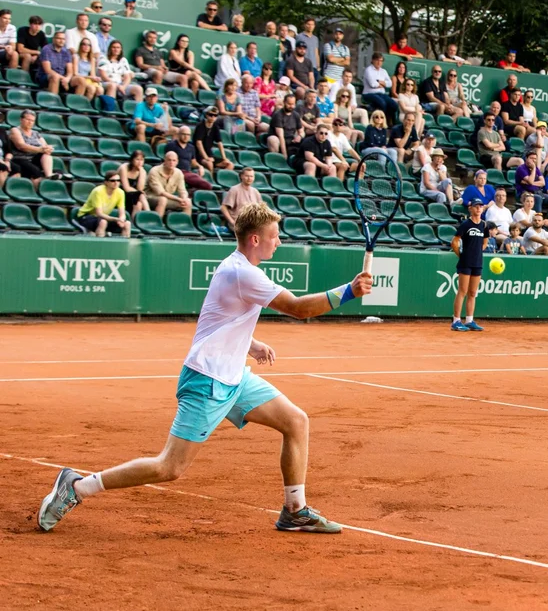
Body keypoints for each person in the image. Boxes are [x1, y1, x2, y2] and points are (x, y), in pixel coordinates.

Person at [37, 203, 375, 535]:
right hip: (208, 381)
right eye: (274, 236)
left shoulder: (236, 266)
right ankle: (77, 487)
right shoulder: (243, 273)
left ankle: (295, 510)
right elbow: (299, 309)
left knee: (296, 421)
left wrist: (249, 343)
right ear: (255, 239)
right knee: (170, 467)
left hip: (234, 377)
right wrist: (349, 291)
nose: (279, 242)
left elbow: (219, 318)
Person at [450, 198, 490, 331]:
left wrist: (477, 251)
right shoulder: (465, 224)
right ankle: (456, 321)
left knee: (472, 293)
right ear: (470, 209)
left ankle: (469, 320)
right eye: (476, 206)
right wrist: (461, 255)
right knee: (462, 291)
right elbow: (454, 242)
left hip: (478, 262)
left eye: (480, 206)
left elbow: (485, 242)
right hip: (466, 262)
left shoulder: (484, 225)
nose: (478, 208)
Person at [8, 110, 60, 183]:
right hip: (20, 158)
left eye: (32, 121)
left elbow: (44, 146)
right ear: (21, 119)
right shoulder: (15, 130)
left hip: (33, 158)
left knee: (47, 156)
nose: (30, 122)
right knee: (35, 171)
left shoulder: (36, 133)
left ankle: (49, 175)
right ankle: (35, 192)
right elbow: (21, 146)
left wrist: (48, 148)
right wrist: (40, 149)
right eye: (28, 120)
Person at [75, 172, 132, 238]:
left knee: (127, 224)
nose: (116, 182)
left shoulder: (121, 192)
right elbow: (99, 213)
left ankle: (124, 246)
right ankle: (99, 245)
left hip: (103, 218)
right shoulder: (98, 191)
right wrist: (115, 219)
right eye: (112, 181)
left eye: (118, 180)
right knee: (103, 222)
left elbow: (122, 213)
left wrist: (121, 220)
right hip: (86, 216)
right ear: (106, 182)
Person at [147, 151, 192, 217]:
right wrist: (179, 199)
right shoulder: (154, 171)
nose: (171, 163)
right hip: (150, 197)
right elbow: (161, 193)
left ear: (177, 162)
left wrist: (184, 198)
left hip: (168, 198)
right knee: (163, 199)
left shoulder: (178, 173)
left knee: (188, 202)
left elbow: (182, 190)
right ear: (164, 160)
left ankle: (185, 224)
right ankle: (157, 223)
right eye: (169, 160)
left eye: (174, 160)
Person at [99, 40, 144, 105]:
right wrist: (117, 85)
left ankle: (138, 112)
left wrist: (123, 86)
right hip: (106, 83)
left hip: (120, 85)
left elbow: (127, 77)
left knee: (138, 89)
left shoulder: (123, 60)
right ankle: (110, 112)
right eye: (114, 47)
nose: (116, 49)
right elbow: (103, 75)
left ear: (121, 49)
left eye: (118, 47)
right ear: (110, 49)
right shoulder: (103, 58)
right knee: (113, 86)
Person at [194, 108, 234, 175]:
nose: (213, 117)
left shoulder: (215, 127)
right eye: (211, 115)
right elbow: (199, 143)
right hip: (198, 155)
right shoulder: (200, 126)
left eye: (215, 115)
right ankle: (211, 181)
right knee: (209, 164)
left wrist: (224, 158)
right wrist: (206, 158)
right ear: (206, 115)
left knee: (230, 164)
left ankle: (222, 180)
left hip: (210, 154)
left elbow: (219, 143)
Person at [38, 30, 77, 95]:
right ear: (54, 39)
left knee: (81, 81)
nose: (61, 41)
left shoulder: (66, 52)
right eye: (59, 38)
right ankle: (52, 102)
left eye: (63, 39)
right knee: (55, 76)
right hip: (45, 77)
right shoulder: (46, 49)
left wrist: (67, 79)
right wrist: (63, 79)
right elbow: (48, 70)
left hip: (63, 78)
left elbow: (70, 71)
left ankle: (76, 103)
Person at [362, 53, 399, 122]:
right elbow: (372, 84)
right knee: (382, 103)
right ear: (373, 60)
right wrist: (383, 84)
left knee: (394, 105)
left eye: (381, 61)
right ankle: (380, 122)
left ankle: (388, 120)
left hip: (381, 94)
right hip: (369, 94)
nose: (379, 63)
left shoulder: (383, 71)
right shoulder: (368, 70)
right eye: (377, 60)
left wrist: (380, 82)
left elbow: (390, 84)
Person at [118, 150, 150, 217]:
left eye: (142, 160)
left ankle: (134, 223)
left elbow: (140, 188)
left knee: (139, 204)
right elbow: (126, 187)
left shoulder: (143, 171)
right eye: (137, 159)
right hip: (120, 192)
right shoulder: (124, 168)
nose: (139, 162)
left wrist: (141, 172)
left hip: (132, 194)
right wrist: (139, 192)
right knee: (141, 195)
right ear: (132, 160)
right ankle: (149, 214)